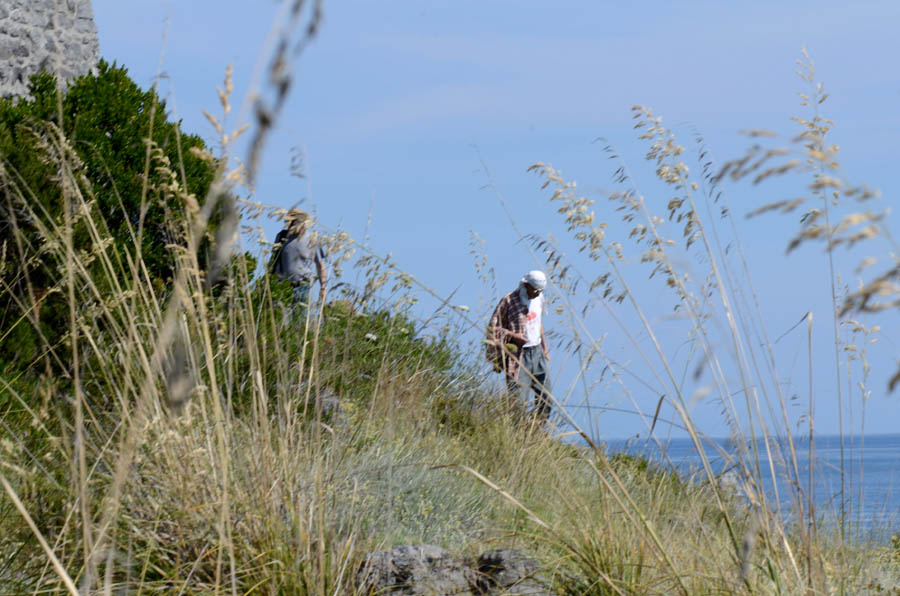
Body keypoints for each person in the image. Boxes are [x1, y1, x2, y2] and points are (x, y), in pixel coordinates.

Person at [487, 270, 553, 422]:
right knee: (518, 400)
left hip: (537, 352)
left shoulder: (539, 299)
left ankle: (537, 430)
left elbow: (539, 323)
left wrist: (545, 348)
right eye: (535, 290)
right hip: (517, 355)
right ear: (526, 285)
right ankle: (518, 434)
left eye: (540, 291)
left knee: (546, 395)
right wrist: (514, 337)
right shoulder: (509, 301)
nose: (537, 293)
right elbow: (493, 329)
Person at [271, 208, 327, 312]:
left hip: (302, 286)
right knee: (280, 318)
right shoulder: (281, 237)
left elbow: (320, 265)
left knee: (299, 319)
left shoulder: (312, 239)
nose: (290, 225)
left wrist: (323, 287)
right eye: (288, 222)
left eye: (293, 222)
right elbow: (273, 261)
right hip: (282, 285)